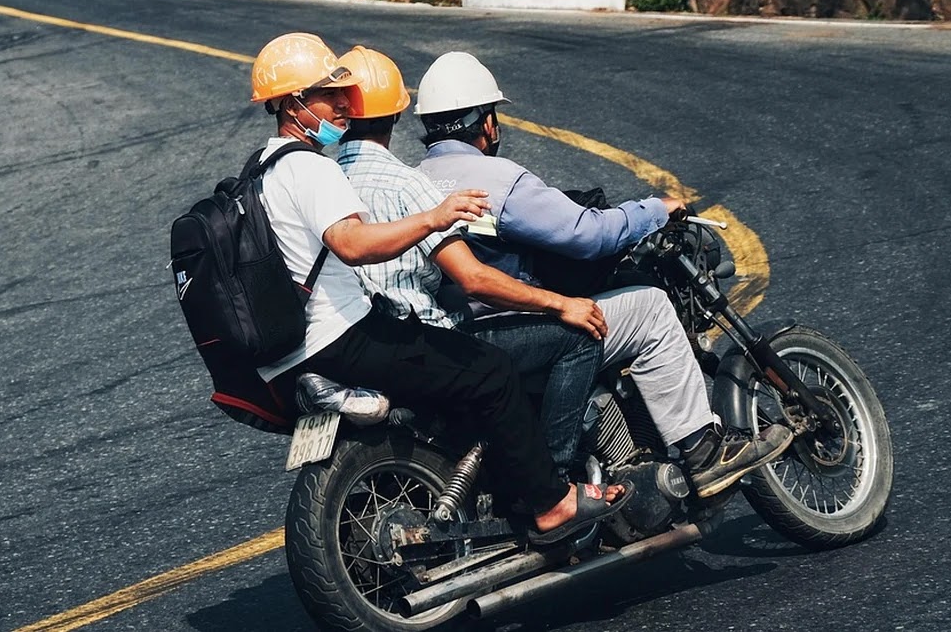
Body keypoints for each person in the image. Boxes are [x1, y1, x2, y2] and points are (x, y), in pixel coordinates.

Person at [246, 33, 625, 543]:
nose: (342, 103)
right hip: (343, 337)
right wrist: (433, 218)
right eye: (327, 94)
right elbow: (355, 243)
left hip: (293, 348)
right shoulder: (313, 167)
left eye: (345, 95)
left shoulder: (261, 171)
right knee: (492, 370)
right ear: (292, 103)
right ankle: (551, 500)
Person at [413, 51, 794, 498]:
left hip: (456, 334)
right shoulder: (497, 179)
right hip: (513, 326)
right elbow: (586, 234)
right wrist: (654, 210)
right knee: (650, 307)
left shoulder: (415, 179)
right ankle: (703, 451)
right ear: (485, 122)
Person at [333, 45, 605, 479]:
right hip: (425, 340)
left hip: (357, 344)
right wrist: (560, 303)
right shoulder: (409, 184)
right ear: (398, 115)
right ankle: (555, 482)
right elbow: (473, 278)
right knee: (578, 338)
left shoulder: (325, 180)